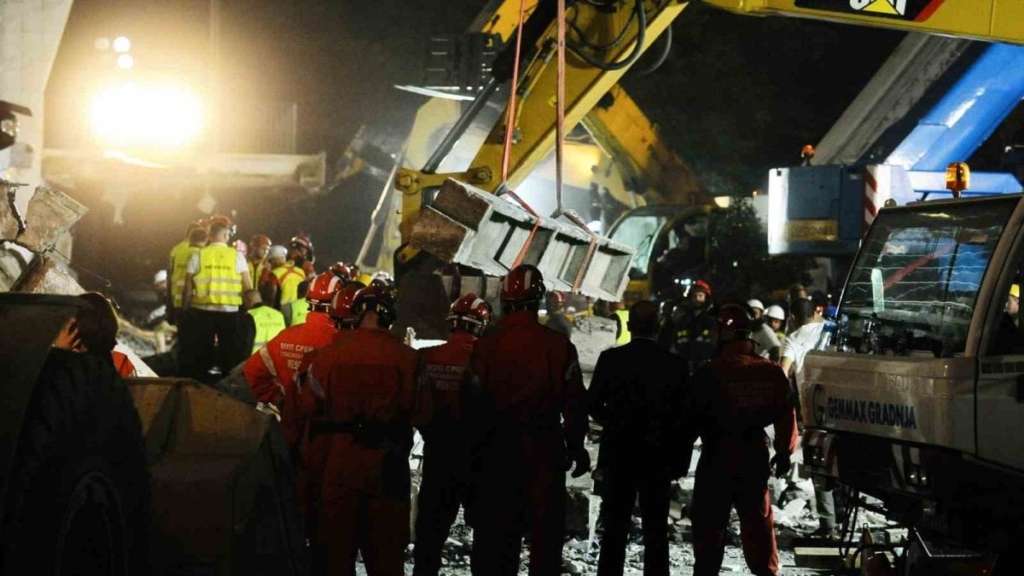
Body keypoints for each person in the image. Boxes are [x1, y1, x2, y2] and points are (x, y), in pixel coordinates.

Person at [465, 264, 590, 576]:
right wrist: (576, 446)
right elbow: (574, 403)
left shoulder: (485, 345)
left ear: (505, 300)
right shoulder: (558, 345)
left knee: (496, 542)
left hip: (495, 454)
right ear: (539, 299)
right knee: (545, 543)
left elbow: (469, 405)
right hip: (543, 452)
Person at [303, 284, 430, 576]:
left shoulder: (327, 356)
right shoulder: (409, 359)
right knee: (386, 561)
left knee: (336, 560)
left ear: (356, 314)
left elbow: (310, 408)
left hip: (340, 468)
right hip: (388, 470)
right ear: (389, 316)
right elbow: (424, 414)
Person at [688, 302, 798, 576]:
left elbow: (689, 419)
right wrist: (784, 452)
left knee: (709, 525)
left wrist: (677, 454)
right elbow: (786, 414)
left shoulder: (709, 372)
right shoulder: (770, 371)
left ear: (726, 332)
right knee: (758, 524)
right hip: (753, 454)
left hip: (716, 456)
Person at [589, 300, 691, 576]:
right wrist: (680, 460)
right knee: (656, 529)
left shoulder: (611, 360)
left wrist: (616, 423)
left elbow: (593, 404)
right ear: (657, 327)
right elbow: (685, 418)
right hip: (658, 456)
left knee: (614, 528)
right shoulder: (675, 365)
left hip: (619, 453)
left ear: (629, 325)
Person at [412, 294, 491, 576]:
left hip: (438, 454)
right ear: (480, 325)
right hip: (479, 458)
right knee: (486, 532)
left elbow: (414, 407)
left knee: (430, 532)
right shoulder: (489, 359)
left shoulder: (426, 357)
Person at [242, 271, 343, 413]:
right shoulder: (341, 341)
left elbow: (252, 369)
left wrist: (280, 400)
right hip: (327, 421)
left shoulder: (286, 336)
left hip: (290, 419)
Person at [779, 298, 835, 539]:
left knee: (820, 464)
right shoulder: (832, 330)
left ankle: (829, 526)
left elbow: (782, 371)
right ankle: (844, 516)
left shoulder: (792, 338)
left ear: (792, 317)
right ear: (815, 312)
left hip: (814, 407)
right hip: (843, 403)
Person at [180, 220, 252, 382]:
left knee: (202, 351)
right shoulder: (237, 256)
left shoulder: (198, 255)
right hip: (229, 312)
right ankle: (226, 384)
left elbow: (187, 287)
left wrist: (185, 310)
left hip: (202, 311)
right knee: (228, 351)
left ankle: (202, 385)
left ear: (210, 236)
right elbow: (248, 287)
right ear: (226, 235)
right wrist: (248, 311)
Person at [659, 279, 717, 374]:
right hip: (683, 365)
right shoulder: (684, 319)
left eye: (700, 295)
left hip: (705, 366)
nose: (697, 299)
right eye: (694, 296)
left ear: (707, 298)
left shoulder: (712, 319)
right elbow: (675, 340)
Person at [168, 222, 207, 323]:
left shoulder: (176, 250)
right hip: (193, 300)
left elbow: (170, 274)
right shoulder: (200, 253)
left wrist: (169, 299)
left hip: (177, 298)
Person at [240, 289, 286, 356]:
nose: (244, 305)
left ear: (249, 301)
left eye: (244, 302)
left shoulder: (250, 316)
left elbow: (245, 344)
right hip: (276, 357)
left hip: (257, 359)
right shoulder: (279, 315)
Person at [270, 245, 307, 310]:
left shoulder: (275, 273)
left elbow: (272, 293)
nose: (271, 263)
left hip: (283, 308)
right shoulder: (300, 271)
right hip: (301, 307)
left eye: (271, 260)